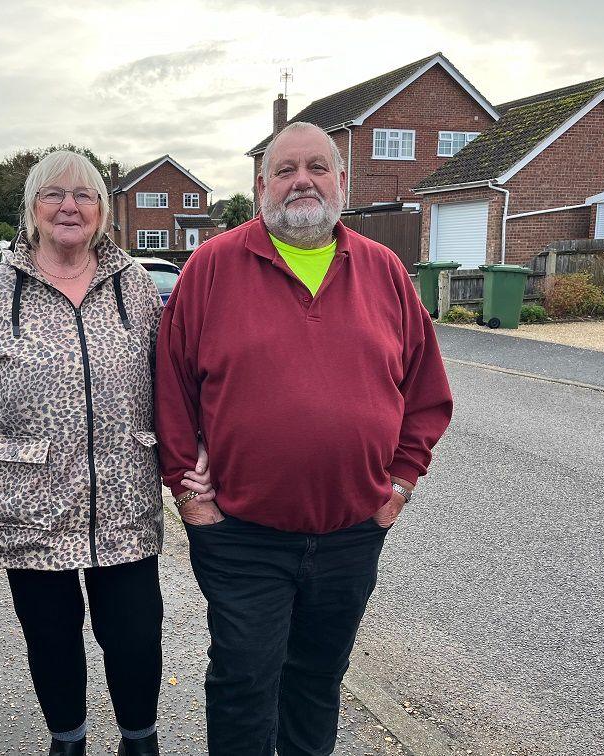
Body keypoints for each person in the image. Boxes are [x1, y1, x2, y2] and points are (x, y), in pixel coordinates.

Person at [154, 122, 453, 755]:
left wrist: (399, 484)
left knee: (317, 680)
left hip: (349, 536)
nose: (302, 181)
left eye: (317, 166)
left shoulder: (384, 272)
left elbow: (426, 392)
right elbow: (172, 386)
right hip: (241, 536)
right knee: (244, 679)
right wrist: (189, 493)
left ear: (343, 181)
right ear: (261, 185)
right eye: (285, 170)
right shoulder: (212, 267)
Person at [0, 150, 213, 756]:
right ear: (32, 209)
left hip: (122, 506)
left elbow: (176, 381)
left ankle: (140, 739)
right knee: (52, 639)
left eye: (84, 195)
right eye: (53, 194)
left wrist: (198, 463)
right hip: (27, 507)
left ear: (103, 212)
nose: (69, 206)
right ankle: (68, 738)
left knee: (136, 637)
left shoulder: (133, 285)